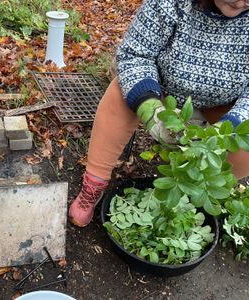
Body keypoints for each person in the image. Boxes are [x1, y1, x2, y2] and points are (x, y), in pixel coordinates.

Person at [68, 0, 249, 227]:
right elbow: (135, 54)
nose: (242, 3)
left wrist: (229, 128)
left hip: (225, 105)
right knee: (118, 93)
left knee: (244, 145)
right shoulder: (171, 3)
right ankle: (93, 185)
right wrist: (150, 108)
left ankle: (194, 195)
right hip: (162, 90)